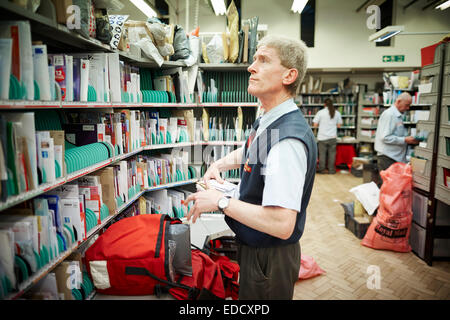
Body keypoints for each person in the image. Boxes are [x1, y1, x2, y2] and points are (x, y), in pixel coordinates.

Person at [184, 35, 317, 300]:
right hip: (257, 248)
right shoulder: (272, 119)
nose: (251, 67)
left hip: (269, 255)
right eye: (254, 58)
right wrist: (219, 164)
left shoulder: (287, 142)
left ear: (289, 76)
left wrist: (220, 201)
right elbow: (252, 151)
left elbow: (281, 224)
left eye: (263, 60)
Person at [374, 92, 419, 176]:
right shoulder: (390, 115)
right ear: (398, 101)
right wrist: (405, 139)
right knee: (389, 186)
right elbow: (385, 137)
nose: (408, 108)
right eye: (406, 105)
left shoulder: (398, 115)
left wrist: (408, 139)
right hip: (388, 158)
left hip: (394, 157)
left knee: (393, 186)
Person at [312, 98, 343, 174]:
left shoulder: (321, 112)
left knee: (322, 154)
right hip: (332, 137)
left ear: (324, 104)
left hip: (322, 137)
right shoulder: (337, 113)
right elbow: (339, 125)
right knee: (332, 154)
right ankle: (331, 170)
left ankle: (322, 169)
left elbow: (315, 125)